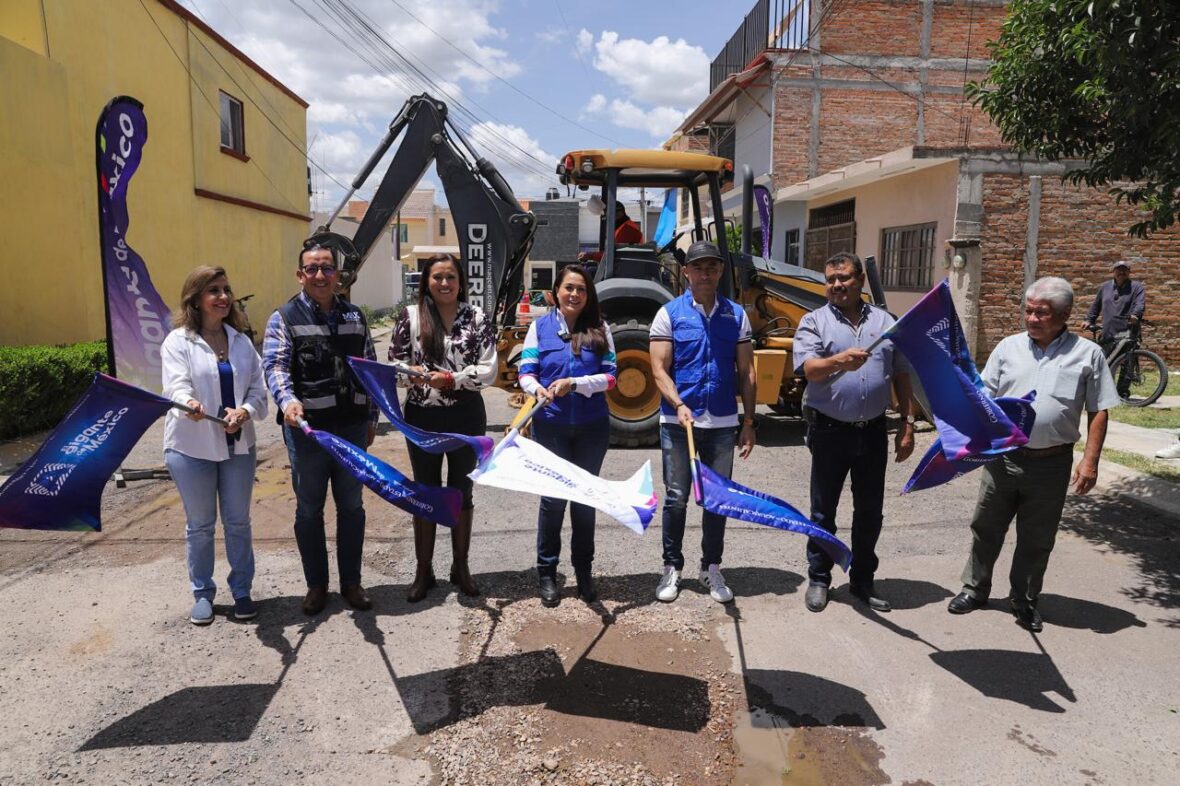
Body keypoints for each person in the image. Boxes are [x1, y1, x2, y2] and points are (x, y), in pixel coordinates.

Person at [948, 276, 1120, 632]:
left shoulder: (1088, 354)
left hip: (1052, 463)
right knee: (986, 527)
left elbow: (1099, 409)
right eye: (1028, 311)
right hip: (1004, 458)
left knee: (1037, 538)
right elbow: (983, 397)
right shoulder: (1008, 348)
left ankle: (1024, 600)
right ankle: (975, 589)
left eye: (1041, 313)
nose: (1031, 319)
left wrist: (1090, 462)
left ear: (1064, 314)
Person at [792, 252, 915, 614]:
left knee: (869, 512)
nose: (836, 285)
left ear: (860, 280)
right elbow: (808, 369)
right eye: (830, 279)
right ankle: (819, 578)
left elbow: (902, 374)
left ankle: (862, 580)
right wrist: (838, 361)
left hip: (873, 431)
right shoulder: (814, 321)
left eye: (844, 278)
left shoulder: (886, 322)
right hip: (830, 431)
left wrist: (907, 423)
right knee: (822, 512)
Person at [262, 242, 378, 616]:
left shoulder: (355, 316)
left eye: (327, 268)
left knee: (352, 507)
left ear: (338, 274)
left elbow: (370, 369)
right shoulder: (283, 317)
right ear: (300, 275)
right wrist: (287, 401)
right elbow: (276, 366)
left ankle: (351, 582)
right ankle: (316, 585)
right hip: (307, 433)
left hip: (351, 429)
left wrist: (372, 416)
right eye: (312, 269)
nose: (320, 275)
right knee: (309, 510)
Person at [649, 240, 757, 604]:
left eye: (712, 267)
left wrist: (749, 421)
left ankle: (711, 566)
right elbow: (658, 370)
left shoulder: (736, 315)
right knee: (677, 498)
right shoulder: (668, 314)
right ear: (687, 272)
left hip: (724, 423)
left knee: (717, 500)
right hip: (678, 424)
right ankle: (671, 567)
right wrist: (678, 403)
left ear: (721, 271)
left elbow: (747, 372)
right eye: (699, 267)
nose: (705, 273)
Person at [162, 266, 268, 625]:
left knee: (238, 522)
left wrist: (246, 410)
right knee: (201, 524)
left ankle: (241, 591)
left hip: (239, 447)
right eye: (214, 291)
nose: (224, 297)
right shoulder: (178, 341)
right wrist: (187, 404)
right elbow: (175, 387)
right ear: (196, 299)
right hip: (192, 448)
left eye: (226, 289)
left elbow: (259, 390)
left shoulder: (241, 341)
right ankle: (202, 593)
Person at [390, 253, 497, 603]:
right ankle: (424, 570)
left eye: (451, 277)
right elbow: (395, 362)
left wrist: (453, 379)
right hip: (423, 418)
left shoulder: (477, 317)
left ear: (460, 281)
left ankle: (461, 567)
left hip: (466, 417)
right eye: (437, 277)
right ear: (427, 282)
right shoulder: (410, 316)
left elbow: (489, 368)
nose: (445, 283)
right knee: (425, 492)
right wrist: (416, 375)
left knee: (461, 491)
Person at [517, 264, 617, 607]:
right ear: (556, 292)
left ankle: (584, 571)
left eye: (581, 289)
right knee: (553, 500)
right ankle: (547, 573)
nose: (574, 294)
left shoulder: (600, 328)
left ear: (588, 295)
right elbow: (526, 372)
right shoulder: (540, 328)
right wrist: (539, 389)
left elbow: (611, 378)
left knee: (585, 500)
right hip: (552, 425)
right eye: (569, 288)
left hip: (592, 426)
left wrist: (575, 384)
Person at [1084, 259, 1146, 397]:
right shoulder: (1105, 287)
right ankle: (1104, 392)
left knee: (1127, 363)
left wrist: (1136, 315)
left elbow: (1139, 304)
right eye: (1118, 269)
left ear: (1129, 272)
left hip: (1129, 330)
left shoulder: (1136, 287)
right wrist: (1089, 320)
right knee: (1105, 363)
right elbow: (1096, 306)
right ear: (1113, 271)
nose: (1121, 272)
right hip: (1108, 331)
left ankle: (1122, 393)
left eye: (1124, 270)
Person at [578, 200, 644, 264]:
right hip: (624, 265)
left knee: (589, 271)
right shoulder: (624, 226)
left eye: (608, 215)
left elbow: (613, 256)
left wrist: (591, 255)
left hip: (624, 268)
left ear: (618, 214)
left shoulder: (627, 229)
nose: (607, 218)